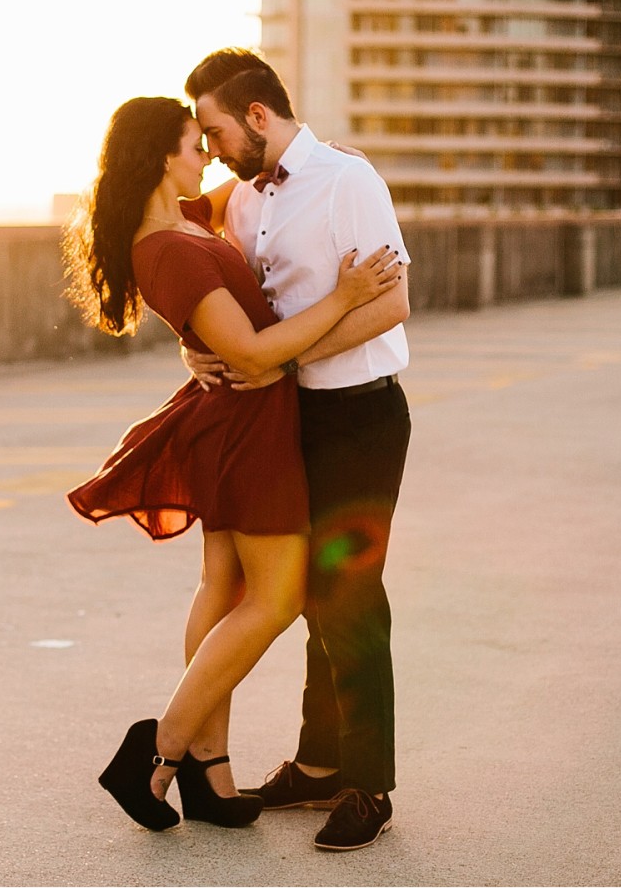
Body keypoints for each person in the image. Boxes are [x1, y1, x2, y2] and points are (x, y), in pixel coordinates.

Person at [62, 96, 403, 834]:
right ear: (160, 153)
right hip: (252, 430)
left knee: (221, 588)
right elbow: (248, 352)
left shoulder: (185, 217)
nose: (207, 154)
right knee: (276, 601)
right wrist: (344, 296)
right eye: (195, 141)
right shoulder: (170, 245)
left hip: (240, 423)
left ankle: (210, 777)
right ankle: (157, 749)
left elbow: (272, 181)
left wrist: (323, 153)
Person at [181, 48, 413, 852]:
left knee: (349, 594)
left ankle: (369, 784)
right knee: (308, 594)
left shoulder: (350, 181)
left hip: (361, 417)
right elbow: (221, 295)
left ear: (255, 116)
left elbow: (393, 305)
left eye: (213, 132)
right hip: (285, 421)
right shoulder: (241, 202)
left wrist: (281, 358)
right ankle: (319, 765)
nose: (209, 151)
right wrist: (197, 350)